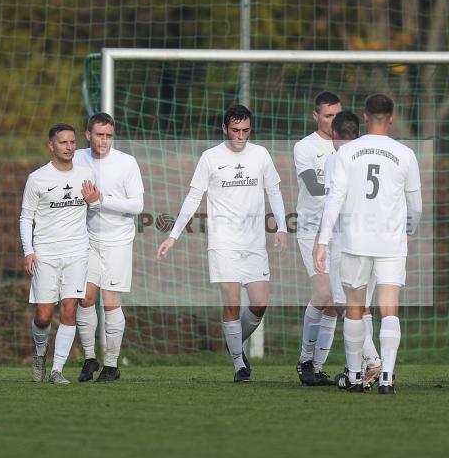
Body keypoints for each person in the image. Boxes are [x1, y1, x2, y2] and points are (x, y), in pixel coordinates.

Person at [156, 105, 288, 382]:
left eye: (246, 131)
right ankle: (239, 364)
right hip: (223, 242)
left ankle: (233, 340)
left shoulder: (261, 154)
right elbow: (194, 197)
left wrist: (282, 227)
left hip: (254, 243)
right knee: (231, 302)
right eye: (235, 131)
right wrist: (173, 235)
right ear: (224, 129)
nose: (240, 137)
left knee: (260, 304)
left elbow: (273, 190)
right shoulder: (210, 158)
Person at [314, 94, 422, 395]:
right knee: (389, 309)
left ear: (364, 117)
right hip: (390, 241)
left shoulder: (348, 152)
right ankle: (386, 377)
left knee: (354, 307)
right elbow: (416, 206)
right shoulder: (405, 153)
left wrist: (323, 241)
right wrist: (408, 230)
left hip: (354, 240)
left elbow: (335, 198)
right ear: (392, 117)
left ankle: (353, 375)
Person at [20, 123, 98, 384]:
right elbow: (26, 217)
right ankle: (40, 353)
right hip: (46, 254)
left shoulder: (86, 174)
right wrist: (28, 251)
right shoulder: (38, 178)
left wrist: (95, 200)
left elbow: (95, 208)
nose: (69, 147)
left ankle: (57, 370)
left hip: (77, 251)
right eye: (63, 142)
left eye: (72, 142)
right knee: (43, 315)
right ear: (51, 146)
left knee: (69, 310)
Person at [310, 109, 383, 387]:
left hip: (348, 241)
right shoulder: (375, 155)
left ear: (335, 135)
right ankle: (367, 368)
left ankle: (373, 359)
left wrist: (322, 240)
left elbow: (333, 203)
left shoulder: (338, 158)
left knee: (345, 304)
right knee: (363, 306)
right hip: (377, 239)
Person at [73, 113, 145, 382]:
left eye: (109, 136)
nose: (104, 141)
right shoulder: (77, 158)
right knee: (85, 298)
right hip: (86, 239)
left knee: (111, 302)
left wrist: (101, 199)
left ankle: (112, 365)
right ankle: (90, 358)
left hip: (118, 241)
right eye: (99, 135)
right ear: (88, 135)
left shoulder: (127, 163)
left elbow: (137, 205)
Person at [293, 92, 343, 385]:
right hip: (313, 230)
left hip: (342, 232)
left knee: (337, 302)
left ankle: (317, 367)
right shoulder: (305, 147)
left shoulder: (350, 147)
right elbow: (313, 186)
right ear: (316, 116)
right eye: (327, 115)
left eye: (338, 114)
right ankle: (304, 362)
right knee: (323, 295)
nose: (333, 121)